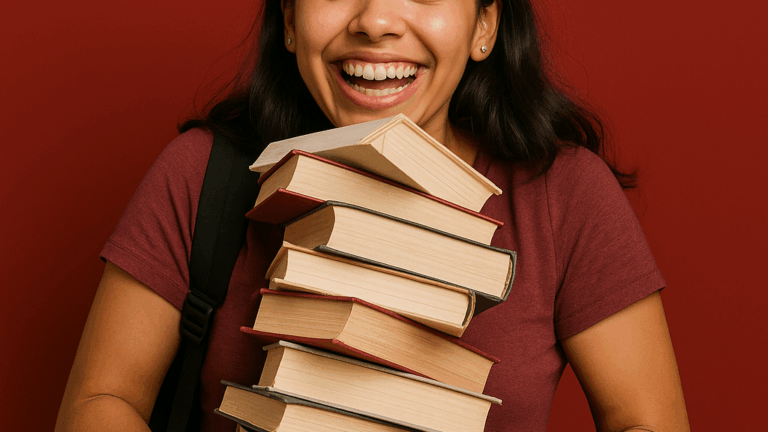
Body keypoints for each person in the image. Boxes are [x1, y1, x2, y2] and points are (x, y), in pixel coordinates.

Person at [55, 0, 691, 431]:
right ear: (287, 21)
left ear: (484, 27)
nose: (377, 21)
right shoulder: (202, 175)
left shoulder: (563, 193)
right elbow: (98, 400)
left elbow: (649, 421)